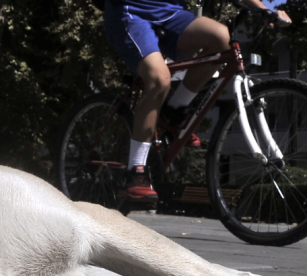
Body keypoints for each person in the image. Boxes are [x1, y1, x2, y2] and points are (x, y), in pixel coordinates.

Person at [102, 0, 291, 201]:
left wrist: (264, 10)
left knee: (222, 39)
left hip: (171, 12)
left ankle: (173, 110)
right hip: (131, 11)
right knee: (159, 80)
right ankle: (135, 171)